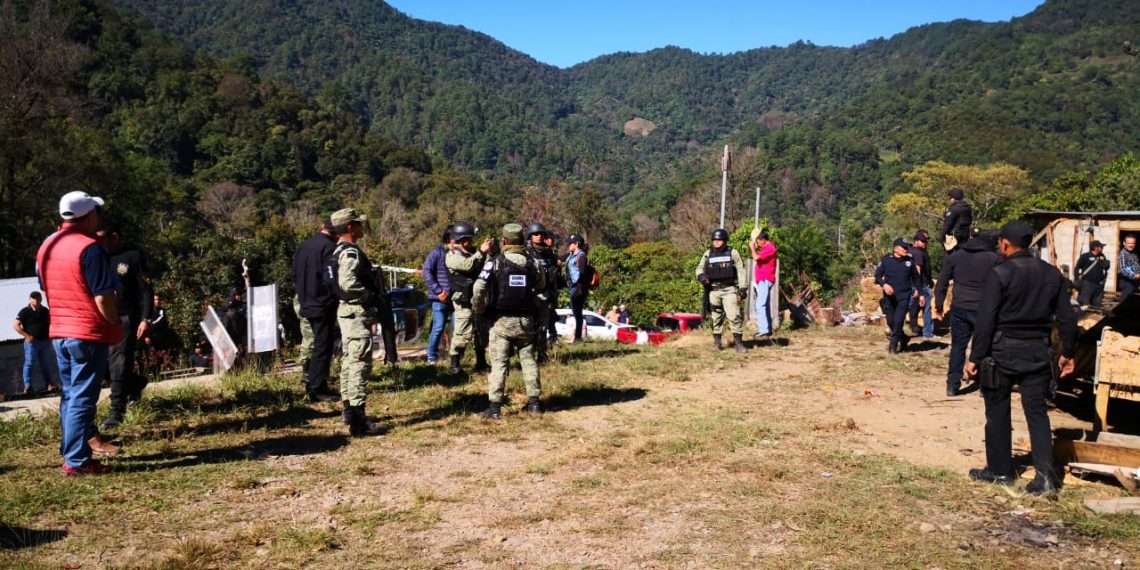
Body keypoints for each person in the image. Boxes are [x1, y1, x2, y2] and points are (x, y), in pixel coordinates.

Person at [965, 221, 1076, 497]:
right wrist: (1069, 353)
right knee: (1037, 413)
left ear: (1004, 243)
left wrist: (975, 357)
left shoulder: (1000, 274)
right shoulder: (1052, 275)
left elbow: (986, 320)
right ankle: (1046, 477)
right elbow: (1067, 318)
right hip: (1038, 351)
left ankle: (1000, 471)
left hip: (1001, 351)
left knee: (998, 411)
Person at [36, 190, 125, 476]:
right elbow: (102, 296)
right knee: (83, 398)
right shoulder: (90, 248)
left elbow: (46, 286)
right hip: (86, 332)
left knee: (70, 396)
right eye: (96, 212)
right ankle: (77, 461)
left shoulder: (47, 245)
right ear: (89, 215)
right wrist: (114, 324)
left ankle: (71, 450)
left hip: (59, 331)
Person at [473, 224, 545, 420]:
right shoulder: (533, 262)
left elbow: (479, 287)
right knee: (529, 361)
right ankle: (534, 404)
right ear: (523, 240)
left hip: (501, 322)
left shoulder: (495, 262)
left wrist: (480, 309)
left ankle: (495, 408)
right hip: (526, 321)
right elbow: (541, 285)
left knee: (499, 364)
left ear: (504, 241)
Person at [329, 208, 383, 436]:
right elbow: (348, 282)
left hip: (346, 312)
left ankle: (349, 410)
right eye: (359, 224)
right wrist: (368, 296)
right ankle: (358, 420)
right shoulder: (350, 253)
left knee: (350, 362)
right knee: (359, 363)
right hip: (355, 310)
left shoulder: (336, 250)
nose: (362, 227)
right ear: (351, 228)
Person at [99, 220, 154, 430]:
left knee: (119, 363)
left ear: (114, 237)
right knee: (102, 366)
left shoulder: (133, 257)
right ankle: (136, 383)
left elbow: (146, 289)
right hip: (101, 318)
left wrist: (146, 318)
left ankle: (116, 410)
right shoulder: (98, 258)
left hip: (125, 317)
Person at [933, 231, 999, 396]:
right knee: (986, 346)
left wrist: (939, 305)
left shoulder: (955, 257)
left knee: (958, 347)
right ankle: (985, 385)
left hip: (960, 307)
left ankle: (952, 385)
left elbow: (941, 282)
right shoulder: (994, 258)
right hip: (985, 309)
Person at [291, 219, 340, 402]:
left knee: (315, 344)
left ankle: (313, 382)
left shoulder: (304, 246)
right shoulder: (329, 247)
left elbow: (294, 275)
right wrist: (334, 297)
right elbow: (331, 278)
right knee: (323, 346)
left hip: (305, 302)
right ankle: (317, 387)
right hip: (322, 303)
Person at [446, 222, 492, 374]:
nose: (472, 242)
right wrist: (480, 252)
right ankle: (455, 364)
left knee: (480, 331)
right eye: (469, 240)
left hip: (477, 299)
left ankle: (481, 362)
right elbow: (466, 266)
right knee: (462, 331)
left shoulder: (472, 253)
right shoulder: (452, 255)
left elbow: (485, 266)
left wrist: (488, 252)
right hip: (463, 300)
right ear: (461, 239)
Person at [695, 228, 748, 353]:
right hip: (714, 290)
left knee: (734, 316)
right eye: (714, 240)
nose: (716, 242)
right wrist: (702, 277)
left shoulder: (732, 253)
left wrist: (743, 288)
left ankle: (739, 344)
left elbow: (741, 270)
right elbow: (699, 269)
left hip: (729, 289)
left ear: (724, 241)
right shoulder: (708, 254)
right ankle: (717, 343)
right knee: (716, 317)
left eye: (719, 240)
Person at [875, 238, 922, 354]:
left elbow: (917, 279)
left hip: (904, 296)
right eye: (904, 248)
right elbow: (877, 276)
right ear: (895, 248)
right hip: (889, 297)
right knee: (891, 322)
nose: (906, 250)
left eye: (907, 248)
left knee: (898, 321)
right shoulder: (886, 260)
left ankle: (893, 346)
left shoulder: (910, 261)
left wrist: (920, 293)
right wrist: (884, 284)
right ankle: (904, 338)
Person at [524, 222, 560, 362]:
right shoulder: (526, 253)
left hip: (546, 296)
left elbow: (554, 277)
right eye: (535, 234)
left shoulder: (549, 253)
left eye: (541, 234)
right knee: (530, 327)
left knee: (543, 326)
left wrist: (553, 296)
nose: (538, 236)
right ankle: (528, 356)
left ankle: (542, 354)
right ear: (530, 236)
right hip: (530, 296)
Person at [13, 291, 59, 394]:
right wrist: (27, 336)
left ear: (41, 299)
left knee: (46, 364)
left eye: (38, 298)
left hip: (45, 341)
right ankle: (28, 386)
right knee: (29, 363)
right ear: (30, 299)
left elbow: (52, 322)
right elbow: (16, 325)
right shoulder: (24, 311)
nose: (36, 300)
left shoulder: (45, 311)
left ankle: (49, 384)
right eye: (34, 298)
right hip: (32, 343)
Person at [422, 225, 454, 365]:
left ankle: (455, 357)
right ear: (449, 239)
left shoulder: (462, 253)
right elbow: (426, 271)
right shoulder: (437, 252)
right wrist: (438, 291)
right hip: (438, 299)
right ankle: (431, 356)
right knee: (438, 327)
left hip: (456, 298)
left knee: (456, 328)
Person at [748, 228, 778, 338]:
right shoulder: (767, 248)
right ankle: (767, 329)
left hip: (765, 279)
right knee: (764, 304)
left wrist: (752, 248)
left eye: (757, 241)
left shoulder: (769, 248)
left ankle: (763, 330)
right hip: (763, 279)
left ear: (762, 240)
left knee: (760, 304)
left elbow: (756, 257)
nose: (757, 244)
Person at [907, 230, 935, 340]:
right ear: (916, 241)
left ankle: (895, 328)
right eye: (923, 241)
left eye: (926, 241)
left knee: (906, 306)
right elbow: (917, 271)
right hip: (921, 285)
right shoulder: (918, 253)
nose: (925, 243)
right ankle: (928, 333)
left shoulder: (910, 251)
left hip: (913, 285)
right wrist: (918, 288)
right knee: (927, 309)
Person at [565, 234, 590, 343]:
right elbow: (560, 258)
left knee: (577, 313)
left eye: (571, 243)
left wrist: (578, 289)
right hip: (574, 286)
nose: (568, 245)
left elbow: (582, 274)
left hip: (578, 287)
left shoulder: (581, 256)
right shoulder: (571, 255)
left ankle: (578, 337)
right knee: (577, 312)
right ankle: (577, 337)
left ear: (576, 244)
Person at [1074, 240, 1109, 309]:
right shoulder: (1085, 256)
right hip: (1087, 284)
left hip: (1099, 285)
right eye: (1101, 247)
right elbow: (1077, 268)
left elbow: (1105, 267)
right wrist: (1077, 279)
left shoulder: (1102, 256)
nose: (1102, 248)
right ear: (1095, 248)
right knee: (1085, 305)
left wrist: (1106, 264)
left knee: (1096, 306)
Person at [1119, 235, 1138, 299]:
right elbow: (1122, 269)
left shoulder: (1134, 254)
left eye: (1133, 243)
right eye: (1129, 243)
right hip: (1126, 281)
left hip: (1133, 281)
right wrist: (1135, 276)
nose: (1131, 245)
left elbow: (1136, 266)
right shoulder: (1123, 253)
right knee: (1125, 298)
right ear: (1124, 243)